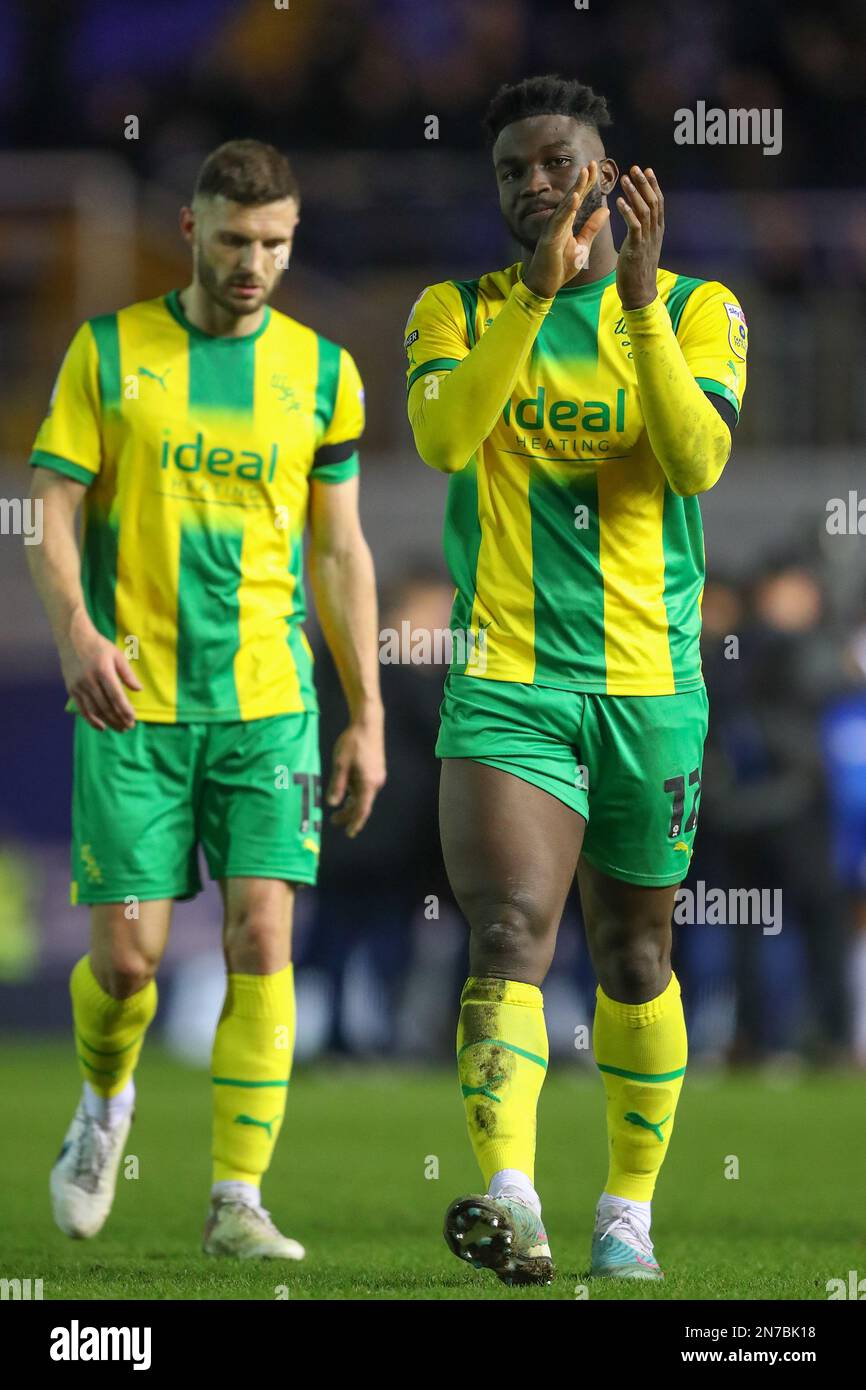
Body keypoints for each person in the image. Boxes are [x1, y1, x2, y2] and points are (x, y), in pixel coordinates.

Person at [405, 74, 747, 1284]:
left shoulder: (702, 307)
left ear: (606, 174)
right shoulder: (453, 309)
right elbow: (447, 440)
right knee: (505, 932)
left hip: (650, 685)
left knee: (635, 958)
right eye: (509, 170)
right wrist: (535, 302)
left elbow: (694, 459)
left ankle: (625, 1216)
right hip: (508, 676)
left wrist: (639, 302)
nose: (532, 186)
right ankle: (511, 1197)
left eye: (555, 163)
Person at [27, 139, 385, 1260]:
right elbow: (48, 508)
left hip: (267, 704)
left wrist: (364, 709)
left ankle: (237, 1196)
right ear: (190, 228)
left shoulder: (324, 373)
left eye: (275, 243)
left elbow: (339, 552)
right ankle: (103, 1106)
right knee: (129, 964)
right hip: (133, 700)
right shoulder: (108, 351)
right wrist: (77, 633)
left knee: (263, 938)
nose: (254, 263)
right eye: (235, 239)